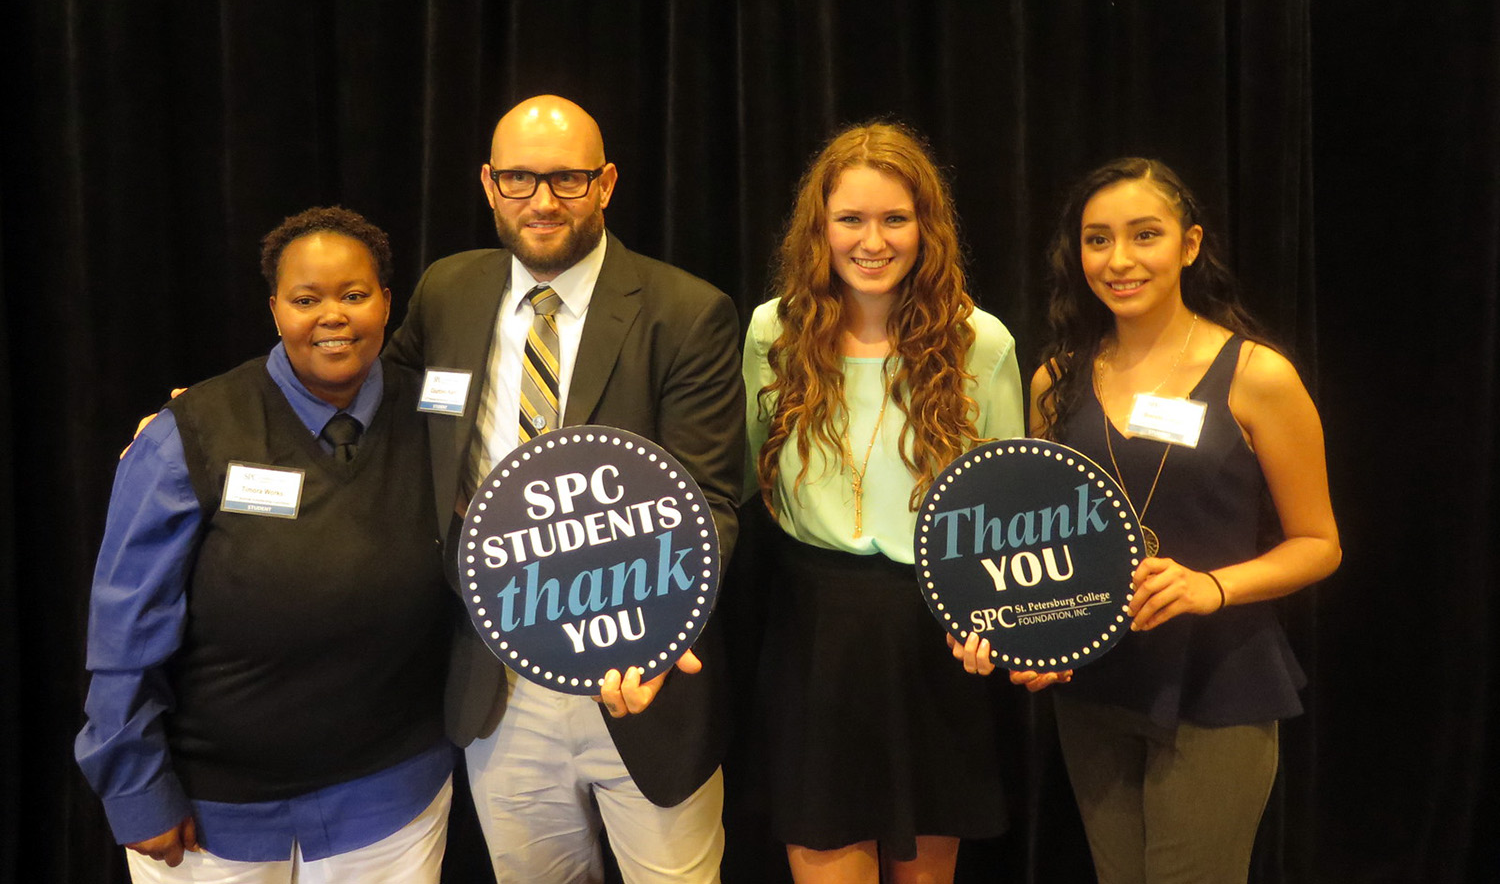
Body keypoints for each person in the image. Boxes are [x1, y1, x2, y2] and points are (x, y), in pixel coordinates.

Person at [381, 94, 744, 883]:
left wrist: (657, 635)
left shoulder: (687, 313)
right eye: (518, 178)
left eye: (568, 179)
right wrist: (221, 416)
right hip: (499, 685)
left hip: (642, 686)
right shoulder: (448, 291)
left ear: (606, 182)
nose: (542, 201)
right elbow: (374, 405)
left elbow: (711, 505)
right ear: (488, 183)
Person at [976, 157, 1341, 883]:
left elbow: (1319, 544)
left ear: (1190, 243)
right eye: (1097, 239)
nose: (1119, 260)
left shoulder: (1255, 375)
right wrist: (1023, 632)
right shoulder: (1057, 377)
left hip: (1217, 682)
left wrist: (1214, 586)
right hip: (1095, 686)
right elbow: (1042, 541)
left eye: (1145, 235)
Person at [76, 207, 454, 882]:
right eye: (307, 299)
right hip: (216, 815)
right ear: (276, 309)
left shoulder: (438, 415)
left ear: (388, 303)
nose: (332, 315)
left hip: (392, 803)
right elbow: (123, 629)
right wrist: (135, 788)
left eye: (354, 295)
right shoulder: (191, 431)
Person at [743, 122, 1023, 884]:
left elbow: (1006, 520)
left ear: (926, 227)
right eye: (851, 220)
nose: (874, 240)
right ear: (819, 228)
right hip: (813, 639)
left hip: (936, 638)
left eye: (895, 218)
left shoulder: (981, 343)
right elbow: (735, 484)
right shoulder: (774, 331)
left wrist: (992, 622)